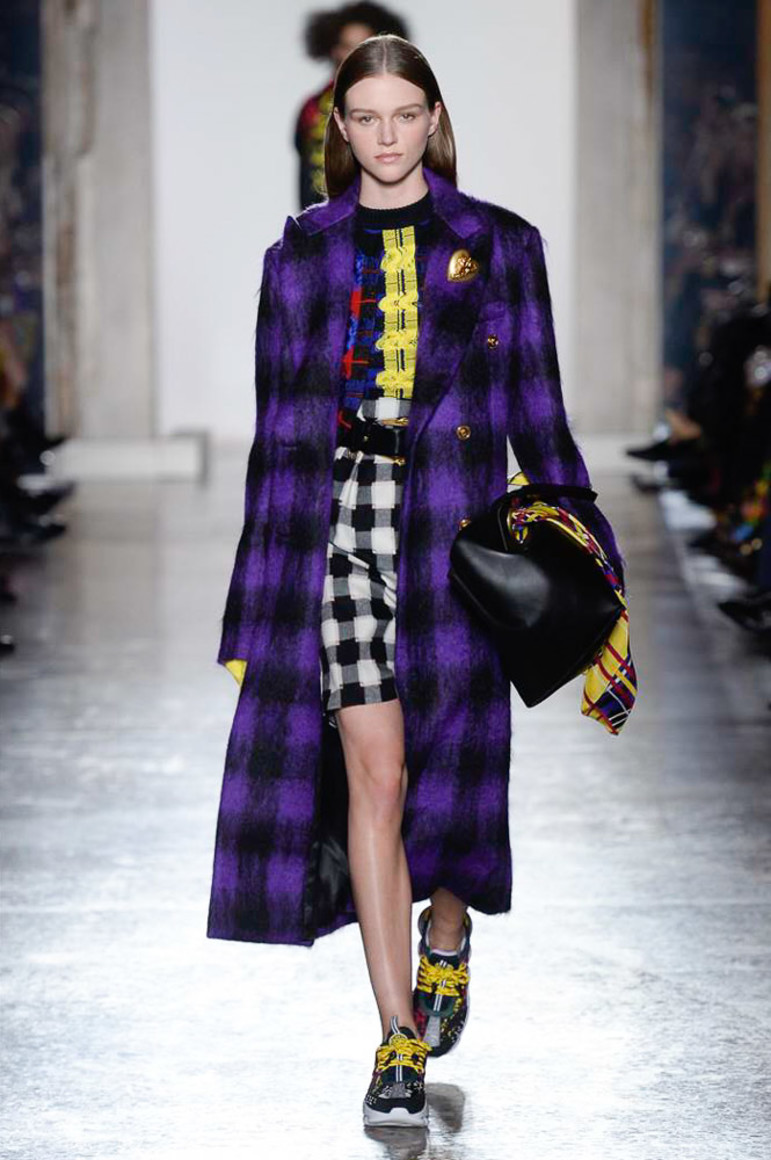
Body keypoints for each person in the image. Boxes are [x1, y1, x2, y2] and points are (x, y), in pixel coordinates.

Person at [208, 34, 626, 1129]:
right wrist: (254, 604)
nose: (386, 136)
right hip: (338, 529)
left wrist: (594, 564)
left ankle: (449, 927)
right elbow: (276, 437)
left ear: (433, 119)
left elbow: (538, 410)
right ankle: (395, 1035)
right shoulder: (298, 256)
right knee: (377, 778)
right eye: (367, 118)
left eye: (405, 115)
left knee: (454, 771)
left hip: (457, 540)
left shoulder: (500, 245)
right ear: (339, 129)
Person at [294, 3, 409, 209]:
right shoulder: (313, 108)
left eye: (363, 45)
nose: (354, 54)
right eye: (347, 45)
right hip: (323, 220)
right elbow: (305, 174)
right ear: (334, 49)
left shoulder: (397, 102)